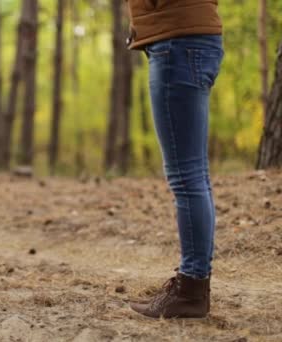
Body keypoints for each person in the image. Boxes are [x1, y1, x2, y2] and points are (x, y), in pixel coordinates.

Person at [125, 0, 224, 318]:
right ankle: (193, 285)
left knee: (187, 177)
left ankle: (191, 290)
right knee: (194, 175)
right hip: (189, 38)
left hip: (177, 43)